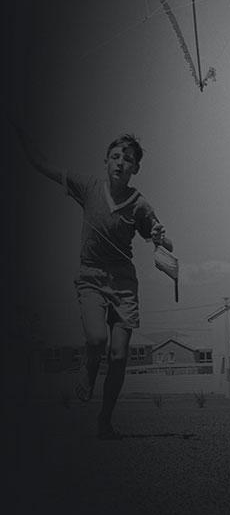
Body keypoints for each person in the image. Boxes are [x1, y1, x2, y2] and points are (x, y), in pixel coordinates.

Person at [13, 124, 173, 439]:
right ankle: (88, 370)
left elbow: (165, 246)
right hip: (91, 277)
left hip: (124, 284)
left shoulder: (140, 204)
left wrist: (159, 237)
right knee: (97, 339)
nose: (120, 163)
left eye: (127, 159)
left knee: (119, 355)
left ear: (135, 168)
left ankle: (105, 420)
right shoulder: (87, 187)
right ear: (105, 161)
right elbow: (41, 164)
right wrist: (21, 135)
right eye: (115, 156)